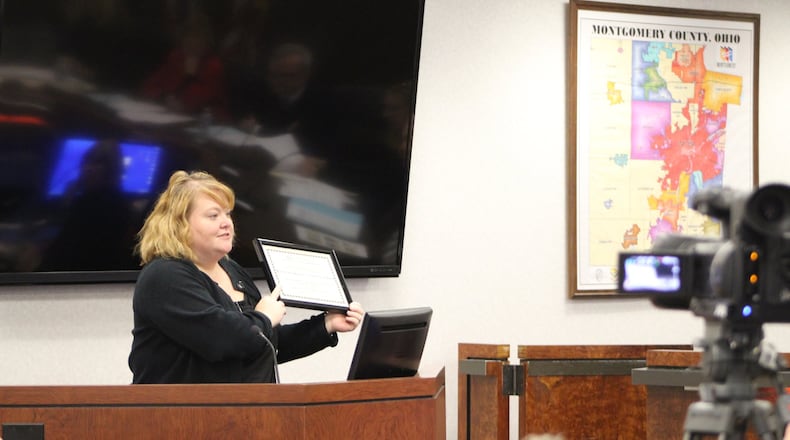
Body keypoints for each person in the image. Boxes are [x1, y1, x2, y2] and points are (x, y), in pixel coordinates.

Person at [128, 170, 364, 383]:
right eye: (213, 216)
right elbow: (225, 340)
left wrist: (326, 325)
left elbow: (264, 344)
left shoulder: (232, 270)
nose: (226, 224)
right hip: (182, 422)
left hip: (249, 419)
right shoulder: (164, 276)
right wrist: (263, 316)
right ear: (179, 225)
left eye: (228, 214)